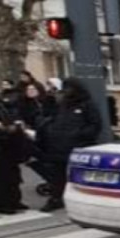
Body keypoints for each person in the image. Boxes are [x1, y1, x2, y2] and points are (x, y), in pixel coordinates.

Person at [34, 78, 102, 212]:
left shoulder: (86, 105)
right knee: (57, 175)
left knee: (78, 176)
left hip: (78, 147)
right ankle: (56, 198)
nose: (66, 92)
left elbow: (95, 125)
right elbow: (49, 117)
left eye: (69, 88)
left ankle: (83, 201)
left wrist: (79, 135)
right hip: (58, 147)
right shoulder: (62, 104)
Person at [0, 93, 29, 214]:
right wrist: (3, 127)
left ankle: (14, 200)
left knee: (13, 173)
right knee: (1, 176)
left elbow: (6, 116)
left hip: (8, 142)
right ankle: (2, 204)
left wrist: (13, 125)